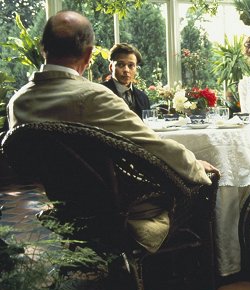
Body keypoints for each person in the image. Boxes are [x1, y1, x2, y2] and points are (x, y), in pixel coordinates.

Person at [7, 10, 219, 253]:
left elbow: (24, 165)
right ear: (88, 55)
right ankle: (201, 274)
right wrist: (194, 165)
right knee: (203, 184)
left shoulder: (19, 102)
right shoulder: (93, 97)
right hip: (116, 208)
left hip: (65, 205)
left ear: (43, 48)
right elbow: (150, 145)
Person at [101, 43, 150, 118]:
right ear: (111, 67)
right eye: (121, 65)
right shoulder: (100, 93)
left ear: (136, 69)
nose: (126, 70)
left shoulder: (143, 98)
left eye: (131, 66)